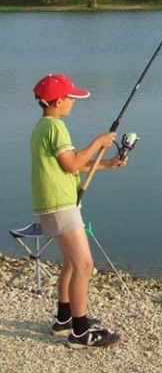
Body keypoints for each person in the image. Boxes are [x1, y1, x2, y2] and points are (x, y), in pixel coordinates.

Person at [30, 73, 126, 349]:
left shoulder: (41, 128)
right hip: (61, 205)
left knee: (72, 264)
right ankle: (81, 331)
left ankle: (64, 319)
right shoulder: (56, 128)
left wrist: (107, 162)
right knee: (85, 265)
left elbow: (67, 164)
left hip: (50, 204)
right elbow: (72, 164)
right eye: (71, 98)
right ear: (58, 101)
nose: (73, 102)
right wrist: (97, 142)